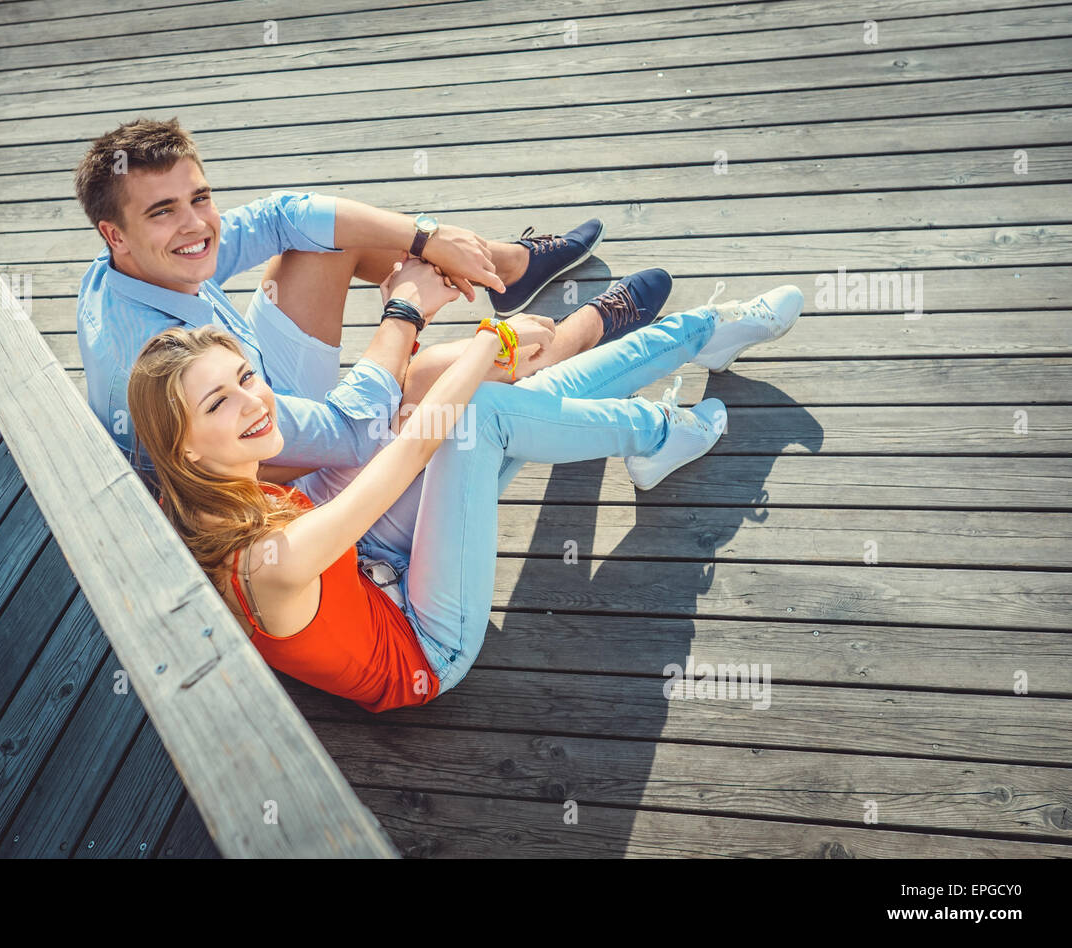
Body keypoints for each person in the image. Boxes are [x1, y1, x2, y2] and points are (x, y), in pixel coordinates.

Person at [126, 253, 804, 713]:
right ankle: (667, 412)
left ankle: (698, 344)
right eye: (217, 404)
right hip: (421, 640)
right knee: (477, 410)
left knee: (502, 407)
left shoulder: (195, 489)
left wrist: (465, 352)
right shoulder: (266, 561)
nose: (252, 402)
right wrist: (488, 341)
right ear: (181, 445)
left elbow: (375, 420)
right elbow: (410, 452)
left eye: (246, 378)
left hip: (360, 566)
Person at [74, 118, 674, 551]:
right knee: (446, 373)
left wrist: (426, 238)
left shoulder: (129, 266)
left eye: (199, 198)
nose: (196, 225)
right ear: (115, 233)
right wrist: (405, 311)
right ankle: (583, 331)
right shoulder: (153, 362)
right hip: (271, 472)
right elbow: (349, 433)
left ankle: (503, 266)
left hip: (245, 386)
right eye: (162, 211)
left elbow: (283, 214)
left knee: (324, 240)